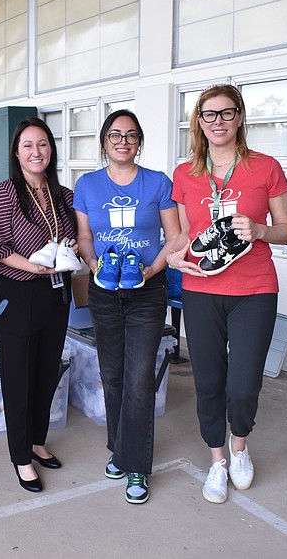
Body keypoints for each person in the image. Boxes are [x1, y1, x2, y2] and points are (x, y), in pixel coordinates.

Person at [166, 84, 287, 504]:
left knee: (243, 384)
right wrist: (173, 257)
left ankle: (240, 448)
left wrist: (259, 231)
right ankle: (217, 460)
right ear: (198, 122)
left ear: (240, 117)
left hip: (255, 288)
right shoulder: (186, 173)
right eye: (208, 114)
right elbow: (184, 235)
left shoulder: (266, 167)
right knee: (209, 381)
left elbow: (286, 229)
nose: (217, 122)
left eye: (226, 113)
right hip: (201, 288)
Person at [74, 110, 181, 504]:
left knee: (138, 378)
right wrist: (94, 266)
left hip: (146, 291)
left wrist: (151, 270)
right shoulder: (87, 185)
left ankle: (135, 462)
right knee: (113, 375)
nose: (123, 141)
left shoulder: (157, 182)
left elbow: (174, 236)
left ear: (139, 142)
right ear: (104, 142)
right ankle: (120, 449)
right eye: (115, 135)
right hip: (104, 290)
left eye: (131, 135)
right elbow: (85, 237)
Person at [0, 117, 78, 492]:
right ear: (17, 152)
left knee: (45, 372)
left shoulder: (63, 194)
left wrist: (66, 253)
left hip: (56, 293)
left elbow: (76, 235)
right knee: (19, 377)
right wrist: (37, 266)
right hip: (18, 293)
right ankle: (21, 457)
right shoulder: (5, 193)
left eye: (42, 144)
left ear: (50, 150)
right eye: (27, 145)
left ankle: (38, 442)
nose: (36, 152)